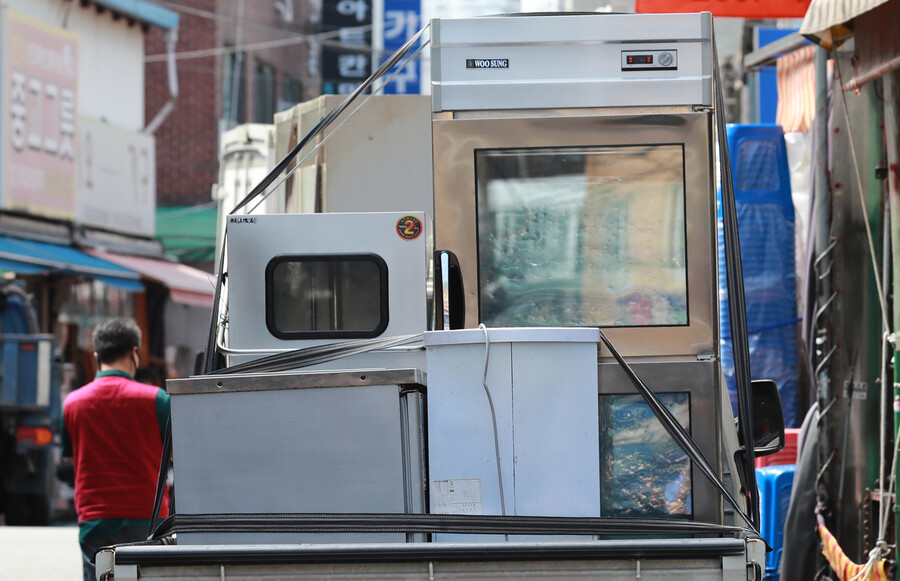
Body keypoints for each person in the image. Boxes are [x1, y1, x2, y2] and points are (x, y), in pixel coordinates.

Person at [61, 318, 170, 581]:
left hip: (95, 521)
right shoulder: (156, 399)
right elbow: (178, 453)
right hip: (148, 520)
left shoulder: (73, 403)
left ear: (97, 356)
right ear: (134, 352)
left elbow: (70, 453)